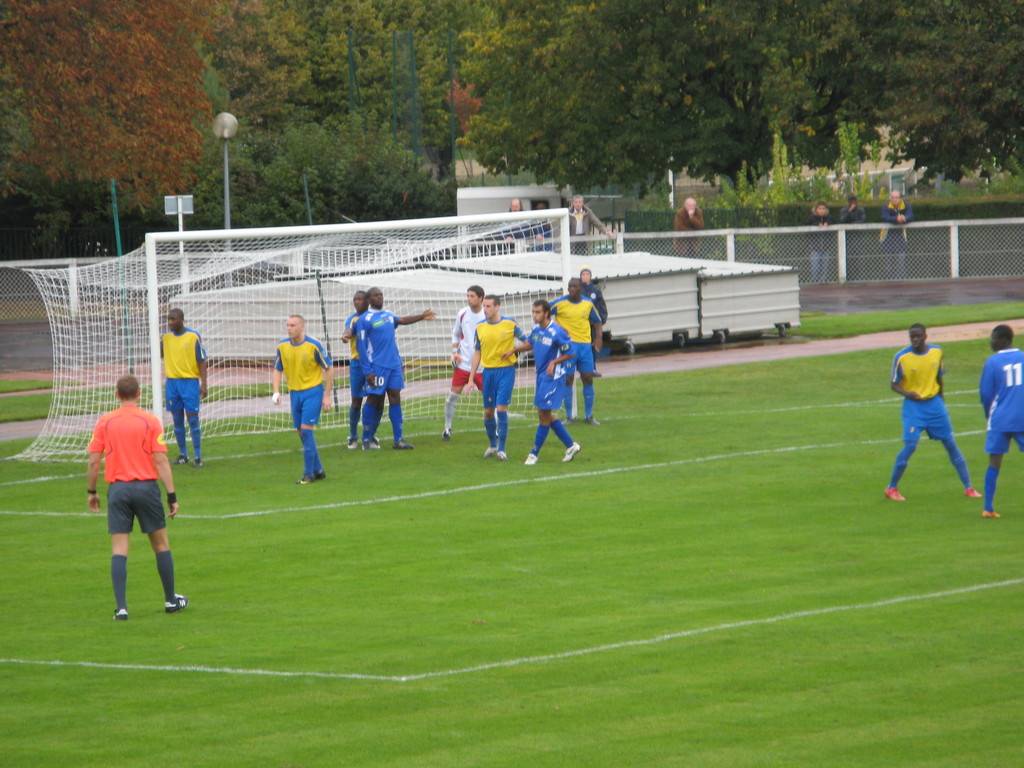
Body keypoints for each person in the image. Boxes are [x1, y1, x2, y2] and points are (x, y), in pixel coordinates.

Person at [87, 374, 187, 620]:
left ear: (117, 395)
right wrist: (172, 495)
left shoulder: (105, 422)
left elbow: (93, 461)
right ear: (140, 394)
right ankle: (170, 600)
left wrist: (92, 492)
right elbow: (161, 460)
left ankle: (121, 608)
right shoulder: (150, 421)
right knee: (161, 545)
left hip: (118, 490)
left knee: (119, 549)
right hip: (146, 488)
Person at [884, 323, 981, 502]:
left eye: (918, 336)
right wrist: (907, 394)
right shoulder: (901, 357)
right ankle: (892, 488)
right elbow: (893, 384)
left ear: (925, 336)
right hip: (914, 407)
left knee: (950, 443)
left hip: (935, 405)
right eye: (912, 336)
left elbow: (938, 377)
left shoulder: (937, 352)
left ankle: (968, 487)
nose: (914, 339)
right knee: (911, 446)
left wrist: (942, 402)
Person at [354, 287, 435, 450]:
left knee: (395, 397)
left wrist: (421, 316)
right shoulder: (364, 319)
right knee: (374, 399)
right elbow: (361, 347)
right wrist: (367, 370)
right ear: (369, 300)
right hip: (377, 366)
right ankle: (366, 438)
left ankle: (398, 439)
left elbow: (402, 320)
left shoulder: (388, 314)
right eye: (376, 295)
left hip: (394, 365)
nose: (379, 297)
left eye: (381, 295)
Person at [506, 299, 582, 465]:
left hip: (553, 377)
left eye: (537, 312)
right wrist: (514, 350)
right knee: (544, 414)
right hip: (541, 376)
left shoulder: (557, 331)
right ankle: (571, 445)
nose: (534, 315)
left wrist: (554, 362)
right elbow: (531, 344)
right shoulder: (536, 329)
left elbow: (571, 352)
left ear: (546, 313)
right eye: (533, 312)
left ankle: (534, 453)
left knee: (543, 415)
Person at [272, 314, 334, 484]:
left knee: (306, 430)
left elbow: (329, 368)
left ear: (301, 327)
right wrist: (276, 391)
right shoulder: (283, 346)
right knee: (301, 432)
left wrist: (327, 396)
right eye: (287, 325)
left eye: (292, 325)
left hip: (312, 391)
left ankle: (308, 474)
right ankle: (319, 469)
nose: (289, 328)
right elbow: (278, 369)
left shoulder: (313, 345)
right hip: (294, 393)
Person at [466, 294, 528, 460]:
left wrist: (513, 351)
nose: (485, 309)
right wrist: (471, 378)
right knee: (488, 412)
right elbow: (477, 352)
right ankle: (493, 445)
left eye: (488, 306)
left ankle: (502, 449)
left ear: (497, 307)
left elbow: (528, 343)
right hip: (488, 373)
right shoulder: (480, 327)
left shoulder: (510, 324)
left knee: (501, 410)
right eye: (484, 306)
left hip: (506, 371)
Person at [978, 324, 1024, 519]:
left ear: (1004, 340)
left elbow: (986, 394)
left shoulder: (992, 362)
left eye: (994, 338)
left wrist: (989, 414)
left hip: (999, 419)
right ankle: (988, 508)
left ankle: (988, 507)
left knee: (994, 461)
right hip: (1022, 417)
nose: (991, 341)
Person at [550, 277, 604, 425]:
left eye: (575, 286)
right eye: (570, 286)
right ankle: (569, 417)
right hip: (567, 347)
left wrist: (599, 337)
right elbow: (543, 314)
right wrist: (556, 331)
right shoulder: (559, 303)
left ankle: (589, 416)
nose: (572, 289)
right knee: (568, 379)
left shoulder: (587, 304)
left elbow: (597, 321)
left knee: (588, 377)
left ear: (581, 288)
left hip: (585, 346)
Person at [161, 308, 208, 467]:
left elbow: (202, 361)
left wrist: (204, 384)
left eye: (173, 319)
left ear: (182, 319)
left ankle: (198, 456)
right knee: (176, 420)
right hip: (172, 384)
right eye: (169, 319)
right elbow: (159, 354)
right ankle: (183, 455)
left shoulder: (193, 336)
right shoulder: (165, 339)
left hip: (189, 383)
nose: (170, 322)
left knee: (193, 419)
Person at [443, 285, 486, 441]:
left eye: (472, 296)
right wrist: (454, 352)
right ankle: (447, 428)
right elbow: (456, 334)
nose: (469, 299)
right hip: (463, 365)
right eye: (468, 296)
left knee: (489, 399)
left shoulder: (487, 314)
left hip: (483, 367)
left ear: (481, 298)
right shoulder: (462, 313)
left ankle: (493, 431)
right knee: (451, 398)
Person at [341, 290, 369, 450]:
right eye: (355, 300)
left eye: (360, 299)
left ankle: (369, 435)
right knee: (356, 402)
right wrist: (345, 336)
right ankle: (352, 436)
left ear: (367, 301)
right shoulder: (352, 319)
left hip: (373, 363)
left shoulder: (373, 316)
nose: (357, 302)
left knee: (373, 400)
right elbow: (348, 331)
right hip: (357, 364)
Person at [579, 265, 608, 377]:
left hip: (593, 324)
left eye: (587, 274)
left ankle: (592, 368)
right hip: (582, 325)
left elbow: (601, 306)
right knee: (583, 346)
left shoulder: (595, 291)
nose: (585, 277)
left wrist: (601, 320)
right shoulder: (578, 290)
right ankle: (583, 370)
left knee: (593, 346)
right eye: (583, 274)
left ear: (590, 276)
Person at [880, 189, 914, 280]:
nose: (895, 199)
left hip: (901, 236)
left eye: (897, 198)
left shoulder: (906, 206)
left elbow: (911, 216)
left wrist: (904, 217)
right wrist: (897, 219)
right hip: (887, 237)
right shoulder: (886, 206)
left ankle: (901, 281)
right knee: (888, 263)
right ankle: (889, 281)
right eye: (893, 198)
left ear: (900, 198)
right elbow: (885, 217)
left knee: (901, 261)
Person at [804, 202, 835, 283]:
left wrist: (827, 223)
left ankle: (822, 282)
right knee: (815, 267)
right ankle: (816, 282)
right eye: (819, 208)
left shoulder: (829, 217)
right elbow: (807, 225)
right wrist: (817, 224)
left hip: (825, 247)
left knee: (824, 267)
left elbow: (833, 222)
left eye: (823, 209)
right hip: (815, 248)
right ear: (816, 209)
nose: (821, 210)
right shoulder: (812, 218)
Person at [840, 194, 868, 280]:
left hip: (857, 237)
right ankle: (848, 277)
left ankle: (857, 277)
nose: (853, 202)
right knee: (848, 258)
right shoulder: (844, 210)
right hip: (847, 238)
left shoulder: (861, 210)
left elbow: (863, 220)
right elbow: (842, 220)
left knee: (857, 258)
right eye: (851, 200)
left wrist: (852, 225)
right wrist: (849, 211)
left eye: (854, 200)